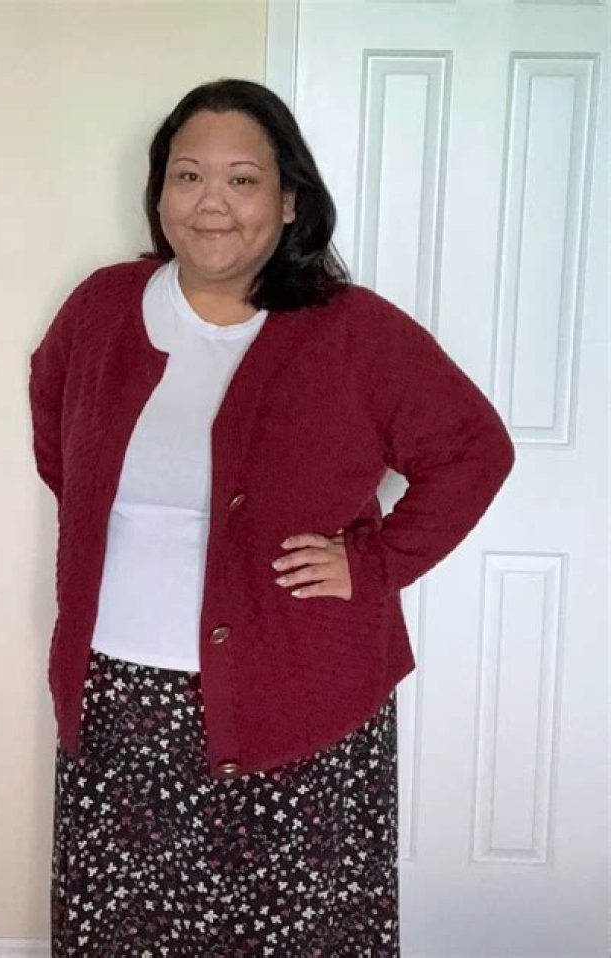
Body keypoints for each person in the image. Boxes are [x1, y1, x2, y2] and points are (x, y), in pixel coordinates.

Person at [29, 78, 515, 958]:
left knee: (296, 931)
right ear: (160, 193)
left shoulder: (354, 332)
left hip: (298, 705)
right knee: (124, 932)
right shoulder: (101, 308)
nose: (211, 202)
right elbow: (60, 433)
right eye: (188, 176)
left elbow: (474, 451)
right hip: (120, 705)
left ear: (290, 201)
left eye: (243, 179)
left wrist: (373, 563)